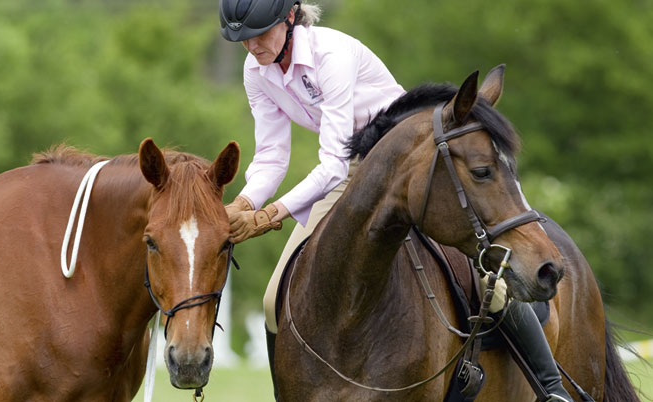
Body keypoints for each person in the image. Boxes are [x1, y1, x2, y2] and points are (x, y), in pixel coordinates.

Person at [218, 1, 573, 401]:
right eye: (243, 39)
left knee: (488, 281)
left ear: (288, 18)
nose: (251, 47)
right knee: (271, 302)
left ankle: (551, 389)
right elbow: (271, 156)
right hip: (347, 177)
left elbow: (331, 163)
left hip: (408, 165)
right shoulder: (256, 71)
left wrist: (269, 215)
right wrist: (244, 203)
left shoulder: (329, 55)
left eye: (259, 34)